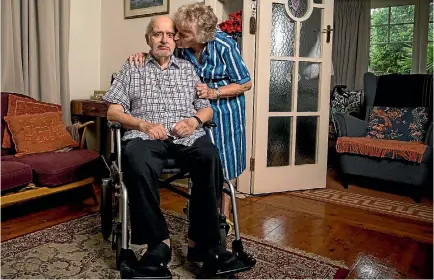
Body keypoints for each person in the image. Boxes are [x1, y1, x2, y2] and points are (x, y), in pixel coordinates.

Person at [103, 15, 244, 278]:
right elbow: (112, 112)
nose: (164, 39)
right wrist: (142, 125)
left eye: (169, 34)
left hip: (185, 137)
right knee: (135, 159)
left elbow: (207, 110)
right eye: (158, 34)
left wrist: (193, 121)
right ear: (148, 39)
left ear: (176, 39)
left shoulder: (188, 69)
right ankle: (158, 244)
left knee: (209, 155)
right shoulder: (132, 68)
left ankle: (206, 245)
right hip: (146, 137)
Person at [129, 3, 252, 228]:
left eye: (183, 33)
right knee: (202, 155)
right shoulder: (183, 45)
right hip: (198, 108)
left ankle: (223, 217)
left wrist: (214, 92)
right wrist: (142, 55)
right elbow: (159, 51)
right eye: (178, 30)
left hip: (226, 106)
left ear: (202, 35)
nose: (176, 36)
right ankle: (200, 207)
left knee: (226, 160)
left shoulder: (224, 45)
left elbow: (245, 82)